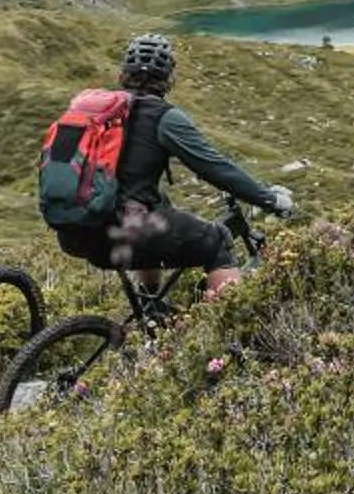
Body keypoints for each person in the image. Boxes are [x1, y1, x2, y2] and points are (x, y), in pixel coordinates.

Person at [51, 33, 292, 300]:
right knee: (216, 240)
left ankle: (150, 305)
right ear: (168, 79)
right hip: (120, 238)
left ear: (122, 75)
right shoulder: (164, 118)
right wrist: (271, 200)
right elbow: (215, 167)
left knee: (157, 205)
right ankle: (228, 326)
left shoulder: (99, 114)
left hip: (74, 234)